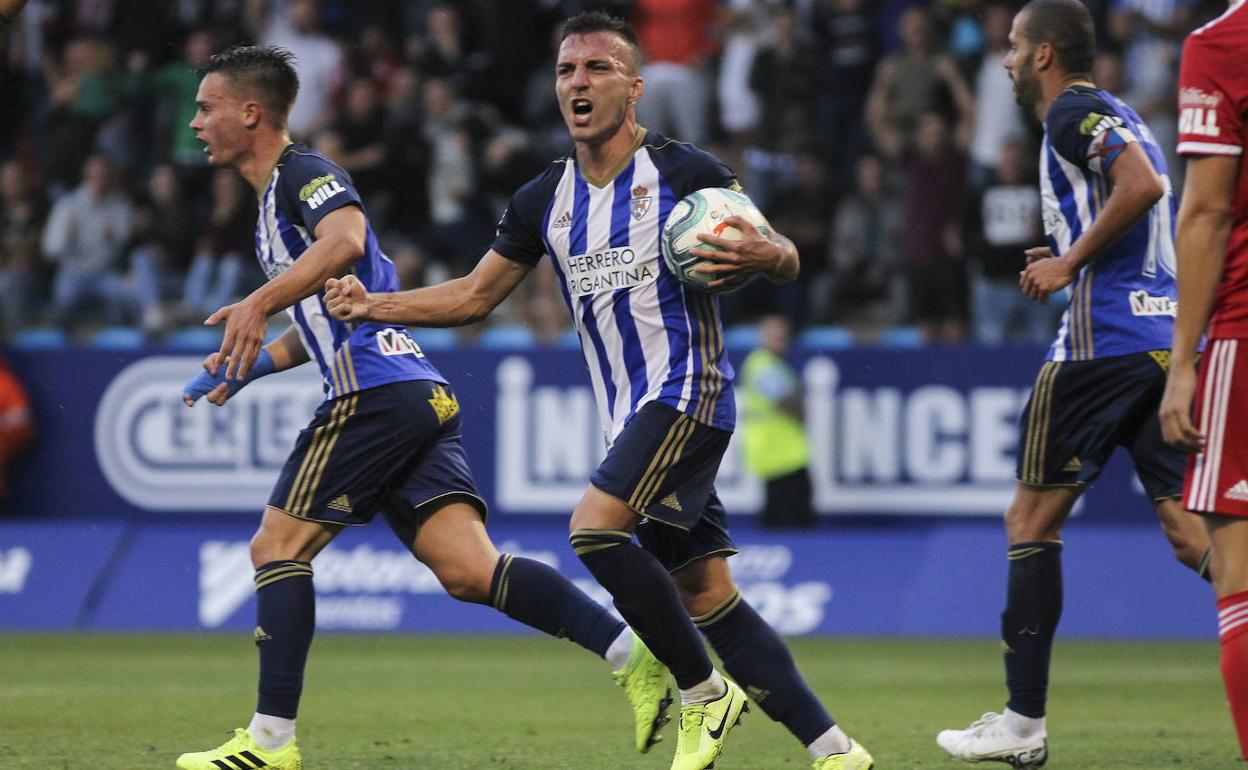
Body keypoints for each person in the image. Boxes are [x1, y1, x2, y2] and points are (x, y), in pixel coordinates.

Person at [324, 13, 874, 770]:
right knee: (708, 596)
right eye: (566, 71)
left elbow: (782, 256)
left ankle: (705, 695)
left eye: (597, 69)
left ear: (635, 87)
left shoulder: (687, 173)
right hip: (630, 419)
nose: (577, 83)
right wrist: (374, 305)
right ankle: (838, 751)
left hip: (687, 394)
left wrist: (770, 253)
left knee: (593, 530)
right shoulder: (541, 199)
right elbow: (476, 296)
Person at [175, 45, 668, 770]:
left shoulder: (302, 175)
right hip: (417, 391)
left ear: (250, 114)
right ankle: (633, 652)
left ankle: (270, 743)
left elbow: (343, 242)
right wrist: (247, 367)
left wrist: (256, 301)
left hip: (375, 395)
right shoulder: (268, 206)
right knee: (471, 571)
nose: (195, 123)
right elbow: (327, 323)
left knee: (275, 547)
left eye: (206, 107)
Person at [936, 1, 1213, 766]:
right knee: (1192, 532)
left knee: (1029, 522)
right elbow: (1141, 182)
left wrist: (1070, 261)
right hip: (1159, 339)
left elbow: (1141, 189)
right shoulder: (1118, 109)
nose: (1006, 61)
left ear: (1047, 55)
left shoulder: (1071, 113)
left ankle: (1022, 726)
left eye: (1016, 48)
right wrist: (1065, 241)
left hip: (1101, 347)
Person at [1159, 0, 1248, 760]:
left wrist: (1182, 362)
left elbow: (1208, 211)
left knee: (1241, 578)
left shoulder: (1223, 44)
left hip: (1244, 336)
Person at [740, 314, 814, 528]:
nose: (780, 342)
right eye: (774, 336)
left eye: (783, 337)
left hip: (779, 448)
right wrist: (800, 406)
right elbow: (788, 402)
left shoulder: (767, 363)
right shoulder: (765, 366)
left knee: (781, 508)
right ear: (763, 337)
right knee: (790, 512)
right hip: (779, 449)